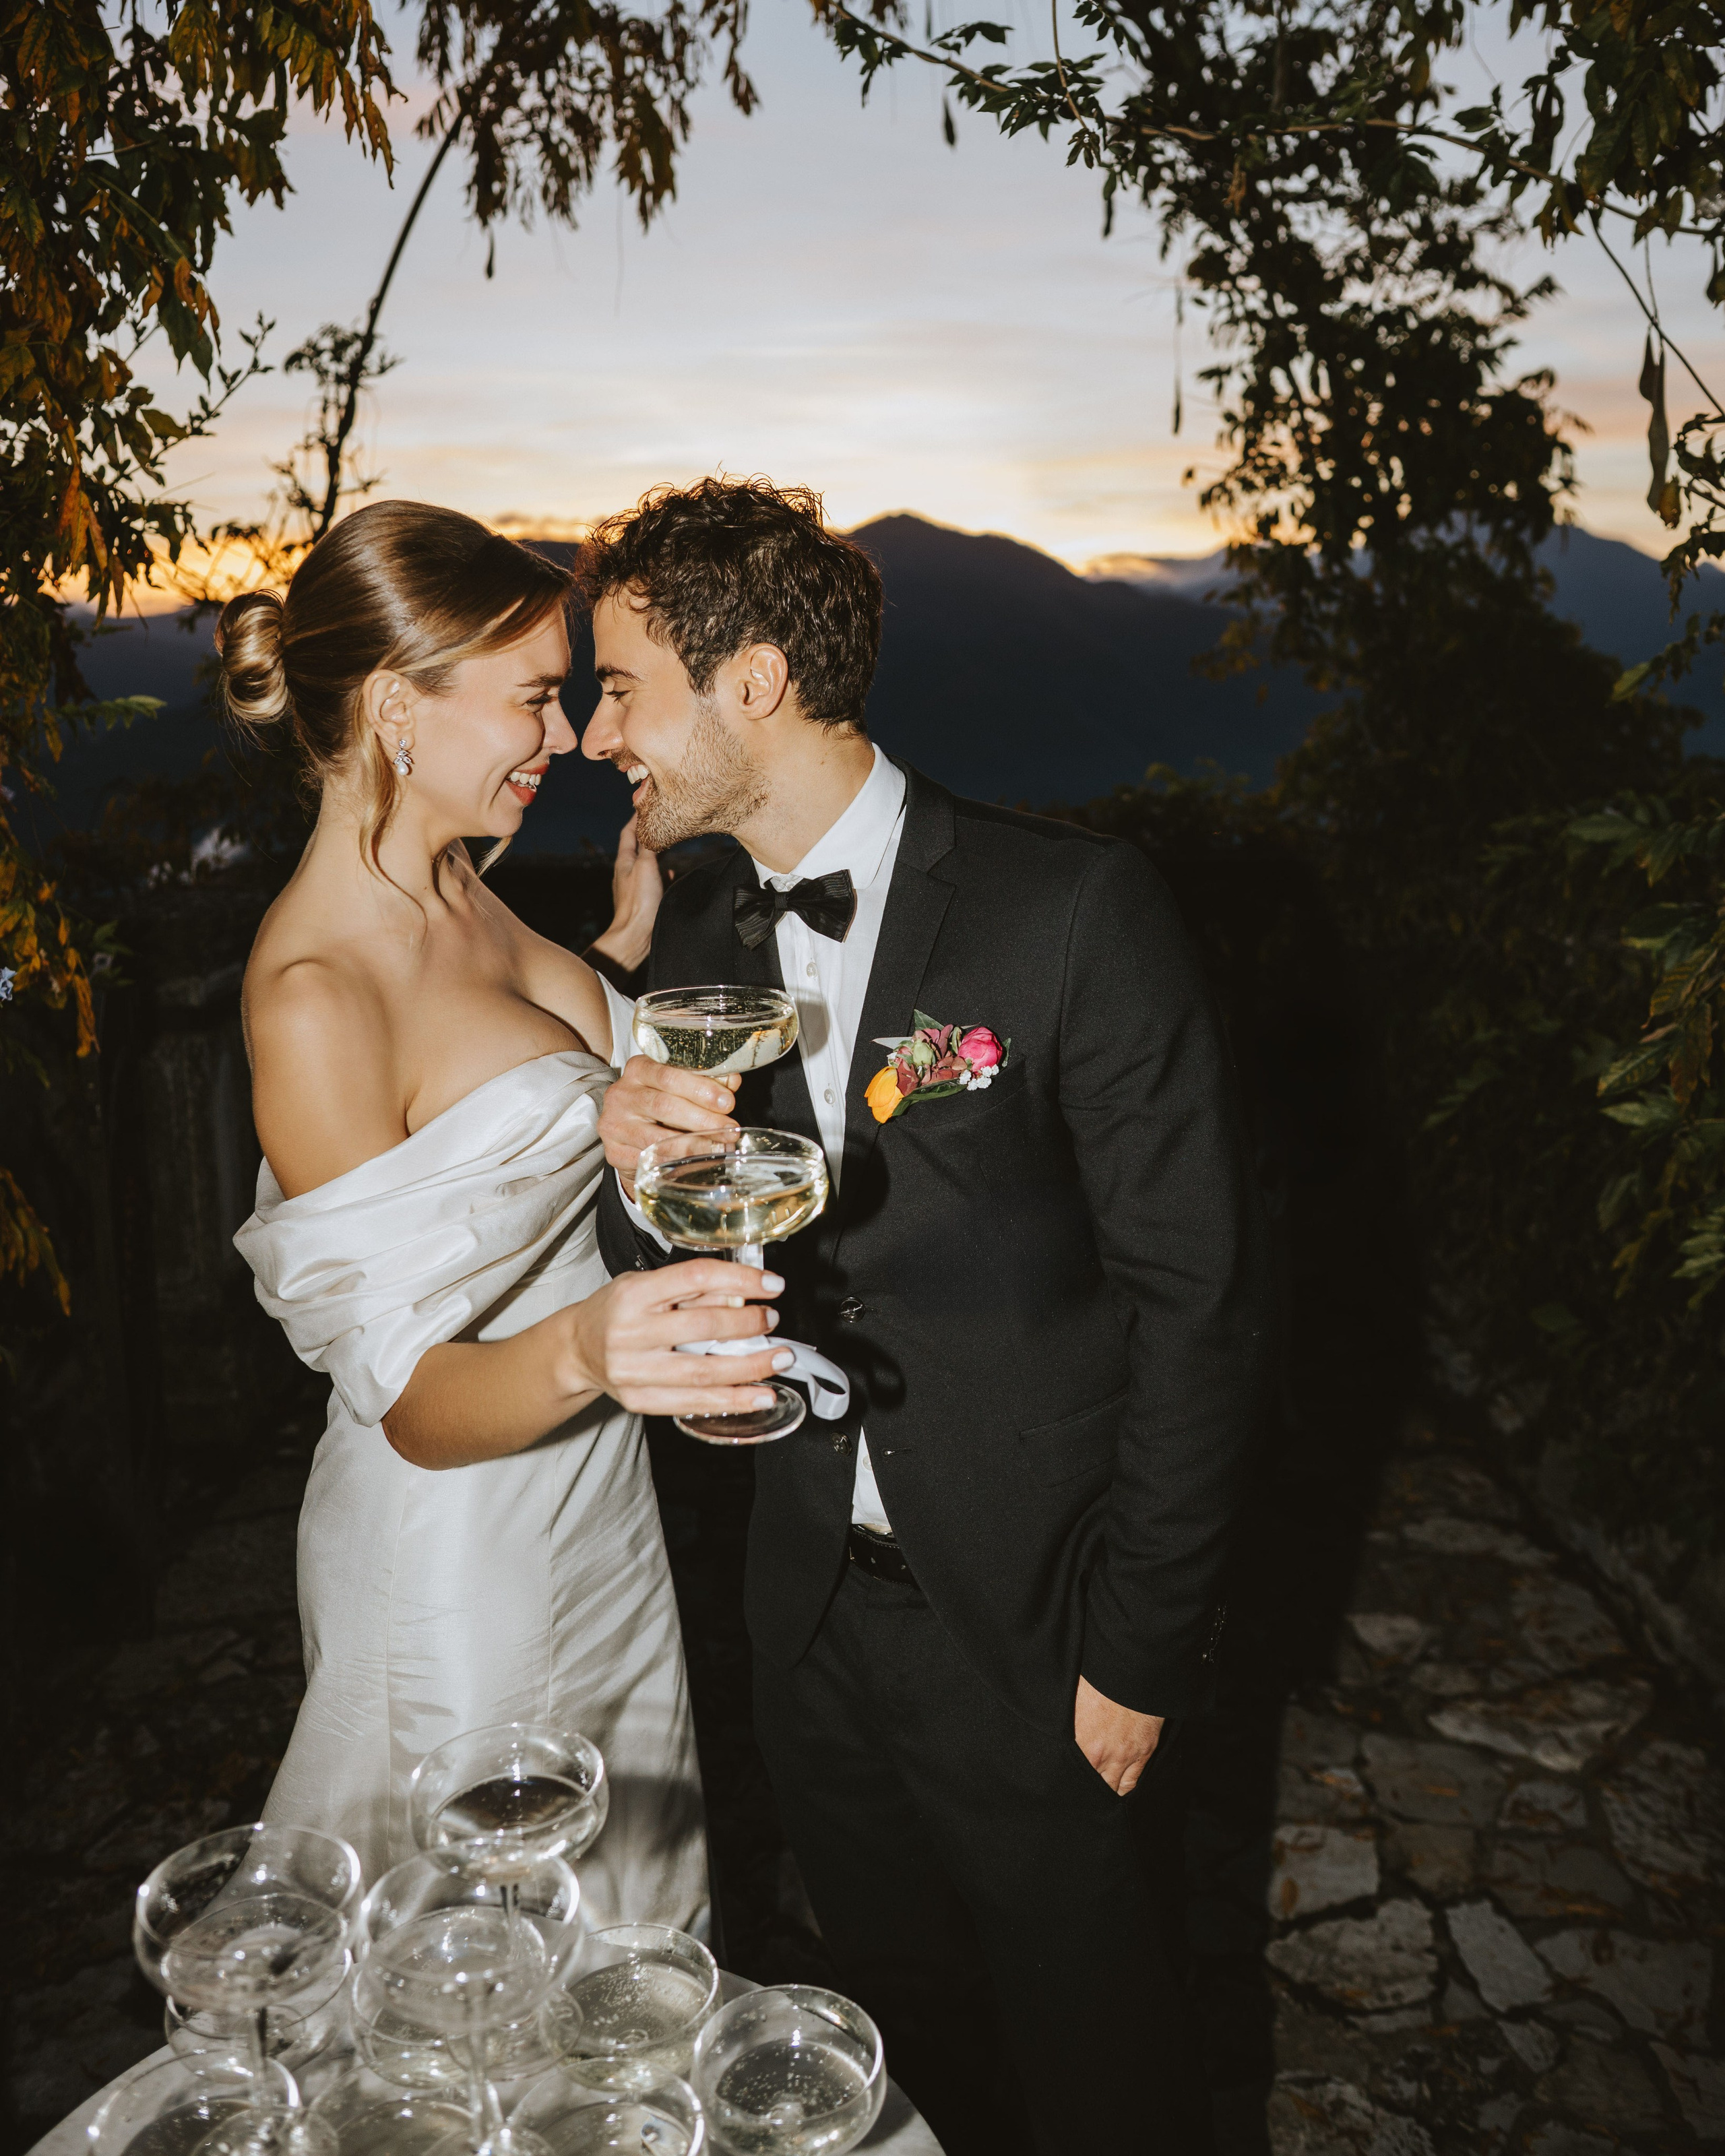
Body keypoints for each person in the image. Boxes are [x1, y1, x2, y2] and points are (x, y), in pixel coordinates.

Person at [582, 477, 1274, 2155]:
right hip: (810, 1606)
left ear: (748, 682)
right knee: (903, 2050)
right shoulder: (701, 921)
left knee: (1104, 2060)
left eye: (619, 686)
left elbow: (1205, 1305)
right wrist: (627, 1151)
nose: (602, 733)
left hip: (1040, 1623)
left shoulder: (1072, 910)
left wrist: (1135, 1643)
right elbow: (673, 1248)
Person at [220, 499, 791, 1917]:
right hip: (459, 1547)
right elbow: (410, 1398)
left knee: (632, 1921)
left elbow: (502, 1083)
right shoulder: (313, 996)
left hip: (595, 1500)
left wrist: (618, 952)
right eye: (534, 699)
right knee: (501, 1959)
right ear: (396, 705)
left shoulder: (459, 887)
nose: (567, 738)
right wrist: (597, 1349)